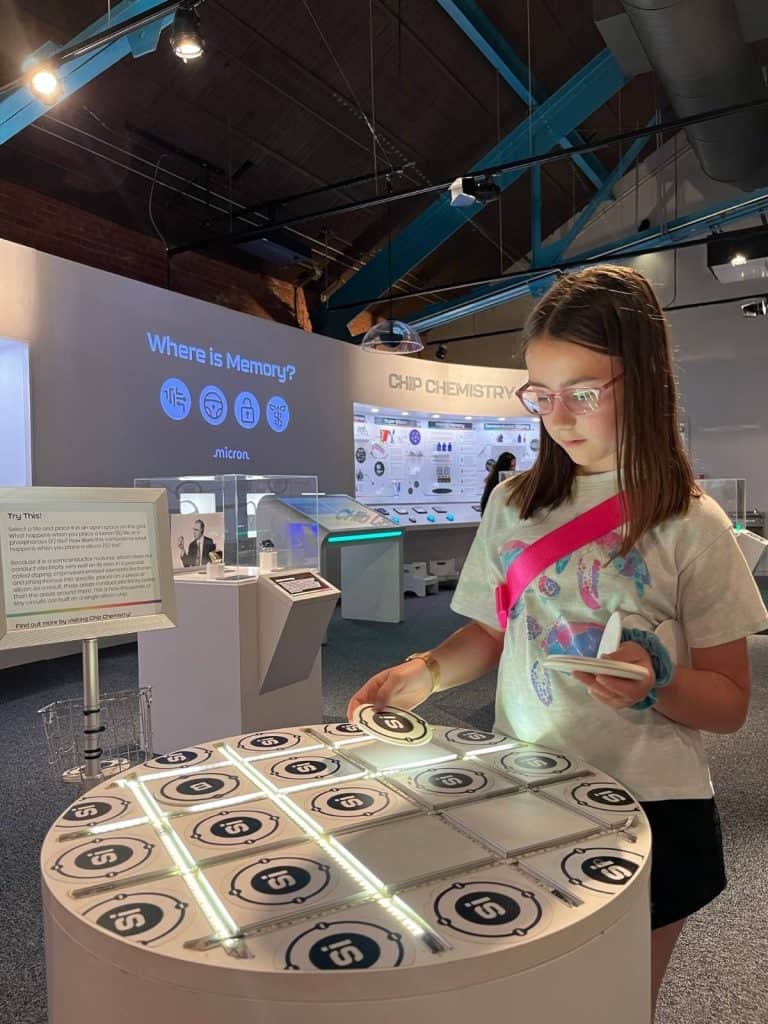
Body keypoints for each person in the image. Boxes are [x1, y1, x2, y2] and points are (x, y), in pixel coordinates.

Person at [347, 264, 768, 1020]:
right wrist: (427, 670)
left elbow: (731, 702)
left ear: (642, 381)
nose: (558, 417)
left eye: (582, 392)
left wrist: (656, 682)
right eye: (540, 393)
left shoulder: (692, 524)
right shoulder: (515, 502)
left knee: (616, 1005)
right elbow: (489, 631)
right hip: (527, 789)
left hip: (650, 810)